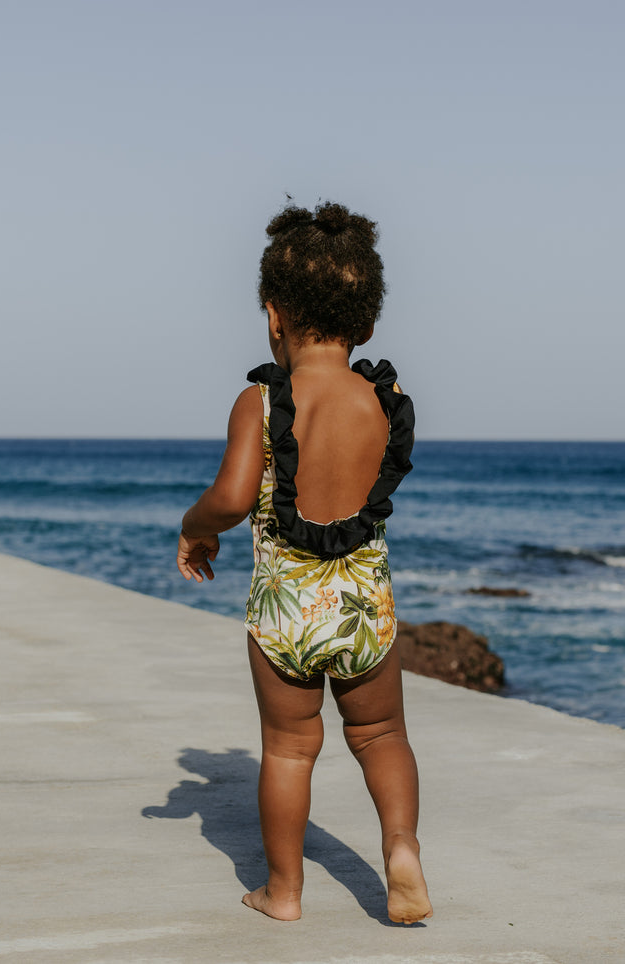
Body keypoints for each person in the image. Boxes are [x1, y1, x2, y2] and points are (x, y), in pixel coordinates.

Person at [177, 201, 432, 924]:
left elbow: (229, 498)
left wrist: (195, 528)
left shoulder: (258, 402)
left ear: (273, 316)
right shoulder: (385, 403)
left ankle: (282, 892)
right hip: (363, 612)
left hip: (285, 616)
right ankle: (402, 848)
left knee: (289, 750)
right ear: (368, 322)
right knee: (381, 736)